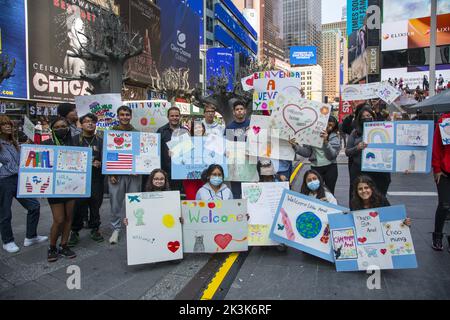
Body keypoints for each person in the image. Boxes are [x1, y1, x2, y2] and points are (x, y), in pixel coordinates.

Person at [0, 116, 47, 253]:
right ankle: (7, 241)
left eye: (9, 124)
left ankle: (31, 236)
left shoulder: (13, 143)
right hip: (3, 181)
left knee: (34, 205)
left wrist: (26, 146)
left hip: (19, 179)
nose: (8, 127)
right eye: (4, 124)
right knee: (5, 213)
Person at [43, 117, 77, 262]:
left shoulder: (75, 143)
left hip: (72, 185)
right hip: (54, 187)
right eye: (56, 127)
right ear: (52, 129)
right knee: (59, 219)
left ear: (68, 127)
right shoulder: (46, 144)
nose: (60, 129)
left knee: (69, 218)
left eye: (63, 126)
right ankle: (52, 246)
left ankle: (64, 245)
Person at [68, 113, 104, 247]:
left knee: (95, 204)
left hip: (96, 179)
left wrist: (101, 164)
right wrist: (87, 164)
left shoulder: (101, 140)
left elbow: (107, 158)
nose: (90, 124)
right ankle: (75, 231)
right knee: (78, 206)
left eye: (93, 122)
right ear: (81, 124)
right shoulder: (74, 140)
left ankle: (95, 228)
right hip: (79, 180)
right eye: (87, 121)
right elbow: (69, 159)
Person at [108, 106, 141, 245]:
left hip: (135, 174)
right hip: (117, 174)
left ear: (131, 116)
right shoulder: (111, 133)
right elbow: (108, 153)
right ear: (118, 116)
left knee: (135, 201)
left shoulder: (137, 133)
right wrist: (111, 173)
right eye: (122, 114)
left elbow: (142, 153)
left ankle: (134, 226)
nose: (125, 117)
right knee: (115, 201)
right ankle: (116, 229)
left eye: (127, 114)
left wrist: (141, 167)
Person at [345, 106, 391, 203]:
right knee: (358, 197)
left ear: (373, 117)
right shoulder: (355, 133)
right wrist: (357, 147)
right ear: (359, 119)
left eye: (369, 115)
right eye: (364, 116)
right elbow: (348, 152)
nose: (366, 118)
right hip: (359, 170)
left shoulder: (384, 130)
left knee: (378, 197)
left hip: (379, 171)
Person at [289, 116, 341, 194]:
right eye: (328, 125)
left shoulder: (334, 136)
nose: (330, 128)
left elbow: (332, 155)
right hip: (316, 167)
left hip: (330, 167)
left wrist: (325, 142)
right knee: (316, 191)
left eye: (332, 126)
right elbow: (307, 153)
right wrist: (295, 146)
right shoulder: (311, 134)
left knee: (330, 192)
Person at [157, 106, 189, 191]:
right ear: (168, 117)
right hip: (165, 171)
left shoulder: (185, 131)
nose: (174, 118)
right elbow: (156, 151)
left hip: (181, 170)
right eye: (172, 116)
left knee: (180, 195)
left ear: (180, 117)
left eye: (177, 116)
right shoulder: (161, 131)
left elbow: (189, 151)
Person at [431, 112, 450, 251]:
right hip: (444, 171)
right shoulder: (444, 119)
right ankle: (437, 235)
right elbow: (436, 146)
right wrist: (437, 168)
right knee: (444, 204)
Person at [224, 101, 251, 199]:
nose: (239, 111)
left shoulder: (252, 125)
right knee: (236, 193)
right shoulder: (230, 127)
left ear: (245, 111)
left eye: (241, 109)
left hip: (250, 165)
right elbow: (228, 146)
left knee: (249, 192)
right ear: (234, 112)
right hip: (235, 165)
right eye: (237, 109)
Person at [182, 119, 206, 200]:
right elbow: (174, 153)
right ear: (192, 130)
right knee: (192, 200)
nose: (198, 129)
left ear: (204, 129)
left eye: (200, 127)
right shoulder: (186, 141)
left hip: (205, 177)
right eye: (196, 128)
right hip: (190, 178)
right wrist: (171, 152)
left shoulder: (210, 141)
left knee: (205, 200)